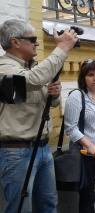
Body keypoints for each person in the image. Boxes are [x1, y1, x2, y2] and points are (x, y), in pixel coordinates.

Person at [0, 19, 77, 212]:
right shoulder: (4, 68)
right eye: (32, 39)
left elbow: (49, 104)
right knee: (21, 207)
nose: (37, 43)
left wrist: (54, 93)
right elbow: (34, 80)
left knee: (49, 204)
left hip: (43, 148)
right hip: (17, 152)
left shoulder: (33, 68)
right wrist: (62, 48)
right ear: (15, 42)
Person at [64, 58, 95, 212]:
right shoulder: (77, 96)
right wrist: (90, 146)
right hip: (86, 154)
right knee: (87, 198)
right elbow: (70, 128)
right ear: (83, 77)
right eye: (90, 75)